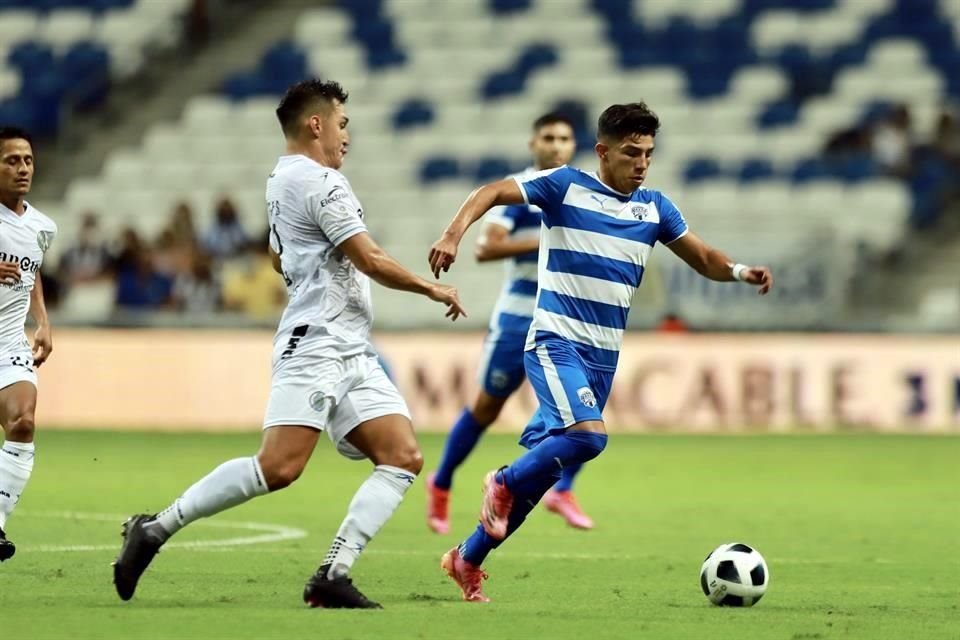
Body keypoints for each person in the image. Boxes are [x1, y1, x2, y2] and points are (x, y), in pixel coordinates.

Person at [112, 79, 466, 608]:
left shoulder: (281, 179)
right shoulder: (321, 183)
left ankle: (333, 574)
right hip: (318, 344)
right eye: (342, 123)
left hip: (351, 348)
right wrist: (429, 286)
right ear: (316, 124)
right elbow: (368, 258)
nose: (348, 135)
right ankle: (155, 527)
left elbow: (279, 259)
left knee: (402, 455)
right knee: (278, 468)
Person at [428, 102, 773, 602]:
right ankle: (499, 481)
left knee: (544, 473)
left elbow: (703, 257)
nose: (642, 163)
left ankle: (467, 558)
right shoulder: (563, 185)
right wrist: (453, 232)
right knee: (589, 439)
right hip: (554, 342)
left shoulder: (654, 208)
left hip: (601, 359)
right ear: (602, 152)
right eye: (632, 153)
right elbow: (493, 191)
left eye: (649, 154)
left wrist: (740, 271)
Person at [426, 113, 594, 535]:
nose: (557, 145)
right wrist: (548, 239)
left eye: (565, 138)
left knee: (577, 411)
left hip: (564, 321)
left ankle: (562, 489)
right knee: (486, 408)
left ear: (575, 146)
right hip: (518, 317)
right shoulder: (522, 191)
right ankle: (441, 483)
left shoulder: (582, 192)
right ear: (533, 143)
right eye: (548, 138)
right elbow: (488, 246)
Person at [0, 126, 56, 562]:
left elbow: (31, 267)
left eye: (28, 160)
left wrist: (42, 318)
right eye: (11, 160)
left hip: (7, 342)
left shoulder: (42, 226)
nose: (22, 169)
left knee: (22, 422)